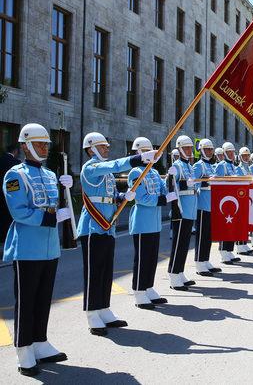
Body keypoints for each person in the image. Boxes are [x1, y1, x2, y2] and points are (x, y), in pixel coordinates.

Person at [3, 124, 72, 376]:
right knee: (27, 300)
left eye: (46, 144)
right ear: (25, 145)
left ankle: (40, 342)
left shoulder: (51, 175)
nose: (44, 148)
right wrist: (49, 219)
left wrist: (66, 197)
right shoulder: (15, 176)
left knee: (44, 298)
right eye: (39, 144)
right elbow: (18, 211)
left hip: (49, 246)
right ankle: (24, 349)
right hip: (28, 247)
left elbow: (55, 206)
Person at [78, 131, 158, 335]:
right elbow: (114, 166)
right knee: (94, 273)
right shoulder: (91, 168)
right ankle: (91, 313)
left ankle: (104, 309)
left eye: (106, 146)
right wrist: (138, 159)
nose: (106, 149)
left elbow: (110, 195)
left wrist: (123, 196)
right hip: (92, 226)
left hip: (107, 225)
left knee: (106, 272)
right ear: (91, 149)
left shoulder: (104, 172)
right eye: (102, 146)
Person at [127, 137, 176, 309]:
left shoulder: (154, 172)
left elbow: (162, 189)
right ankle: (139, 291)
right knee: (141, 258)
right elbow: (142, 198)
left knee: (152, 257)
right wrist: (164, 199)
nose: (150, 155)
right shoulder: (135, 173)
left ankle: (148, 287)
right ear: (138, 152)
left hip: (154, 222)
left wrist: (170, 177)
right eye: (145, 151)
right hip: (142, 221)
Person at [166, 135, 198, 290]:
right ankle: (173, 275)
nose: (189, 150)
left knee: (184, 244)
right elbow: (171, 186)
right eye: (186, 148)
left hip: (190, 210)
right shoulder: (176, 166)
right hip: (180, 210)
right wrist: (187, 184)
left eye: (190, 148)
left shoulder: (189, 166)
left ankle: (180, 272)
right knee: (178, 244)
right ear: (179, 149)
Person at [192, 138, 223, 276]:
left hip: (212, 206)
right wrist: (207, 183)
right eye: (206, 149)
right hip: (203, 206)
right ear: (201, 151)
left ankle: (205, 260)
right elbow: (193, 184)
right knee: (202, 235)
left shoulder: (211, 166)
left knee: (209, 235)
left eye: (211, 149)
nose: (209, 152)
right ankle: (199, 262)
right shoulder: (198, 166)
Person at [0, 143, 21, 256]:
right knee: (9, 218)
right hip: (10, 194)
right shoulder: (16, 164)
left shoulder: (1, 160)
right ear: (16, 151)